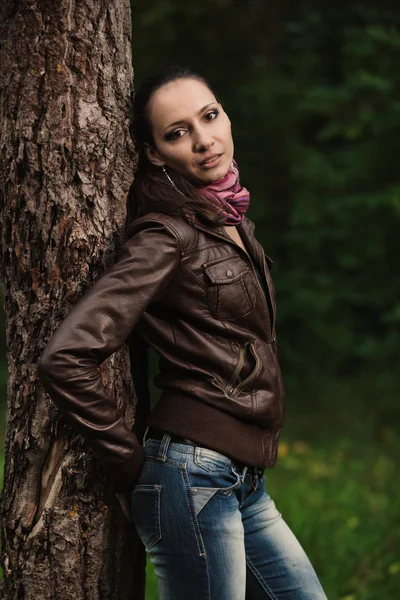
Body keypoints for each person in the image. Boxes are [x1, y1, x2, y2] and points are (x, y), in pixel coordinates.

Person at [37, 64, 328, 599]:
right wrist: (130, 465)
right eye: (177, 133)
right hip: (191, 475)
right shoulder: (165, 236)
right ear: (153, 153)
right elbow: (66, 357)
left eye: (209, 116)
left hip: (240, 479)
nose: (203, 140)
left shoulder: (226, 219)